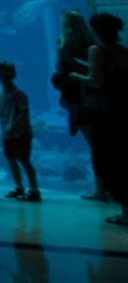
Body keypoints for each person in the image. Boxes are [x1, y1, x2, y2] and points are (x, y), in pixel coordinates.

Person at [71, 12, 128, 222]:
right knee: (123, 158)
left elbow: (96, 81)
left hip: (104, 114)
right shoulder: (123, 51)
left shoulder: (96, 50)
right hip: (123, 112)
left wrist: (76, 75)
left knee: (107, 160)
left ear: (95, 30)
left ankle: (125, 212)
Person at [51, 11, 104, 200]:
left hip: (78, 100)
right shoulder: (94, 45)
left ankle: (101, 189)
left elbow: (59, 71)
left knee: (95, 146)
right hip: (99, 99)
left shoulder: (64, 48)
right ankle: (107, 187)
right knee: (102, 143)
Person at [0, 61, 40, 201]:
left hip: (22, 133)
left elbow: (24, 113)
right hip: (7, 134)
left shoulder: (19, 93)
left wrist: (12, 127)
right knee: (11, 160)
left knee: (24, 160)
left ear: (13, 75)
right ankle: (19, 187)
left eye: (5, 74)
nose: (2, 77)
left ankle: (34, 190)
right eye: (0, 74)